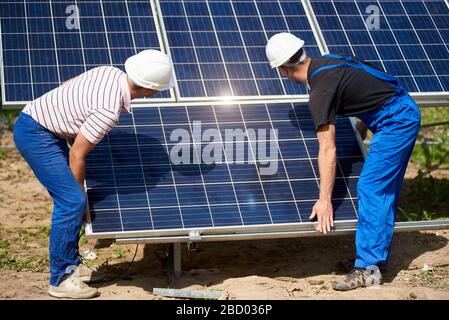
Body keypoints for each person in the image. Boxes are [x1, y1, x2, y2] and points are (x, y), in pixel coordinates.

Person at [13, 49, 175, 299]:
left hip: (37, 121)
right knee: (72, 202)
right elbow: (77, 155)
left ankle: (67, 264)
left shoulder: (108, 71)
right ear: (151, 90)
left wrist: (65, 117)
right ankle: (62, 279)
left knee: (72, 199)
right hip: (36, 135)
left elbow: (68, 85)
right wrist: (81, 199)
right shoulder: (108, 111)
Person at [265, 33, 420, 291]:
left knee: (372, 188)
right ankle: (373, 261)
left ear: (283, 70)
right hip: (398, 112)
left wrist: (324, 199)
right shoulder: (330, 60)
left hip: (396, 122)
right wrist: (365, 125)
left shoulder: (319, 92)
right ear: (303, 52)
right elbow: (371, 81)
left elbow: (327, 149)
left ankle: (367, 269)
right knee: (383, 191)